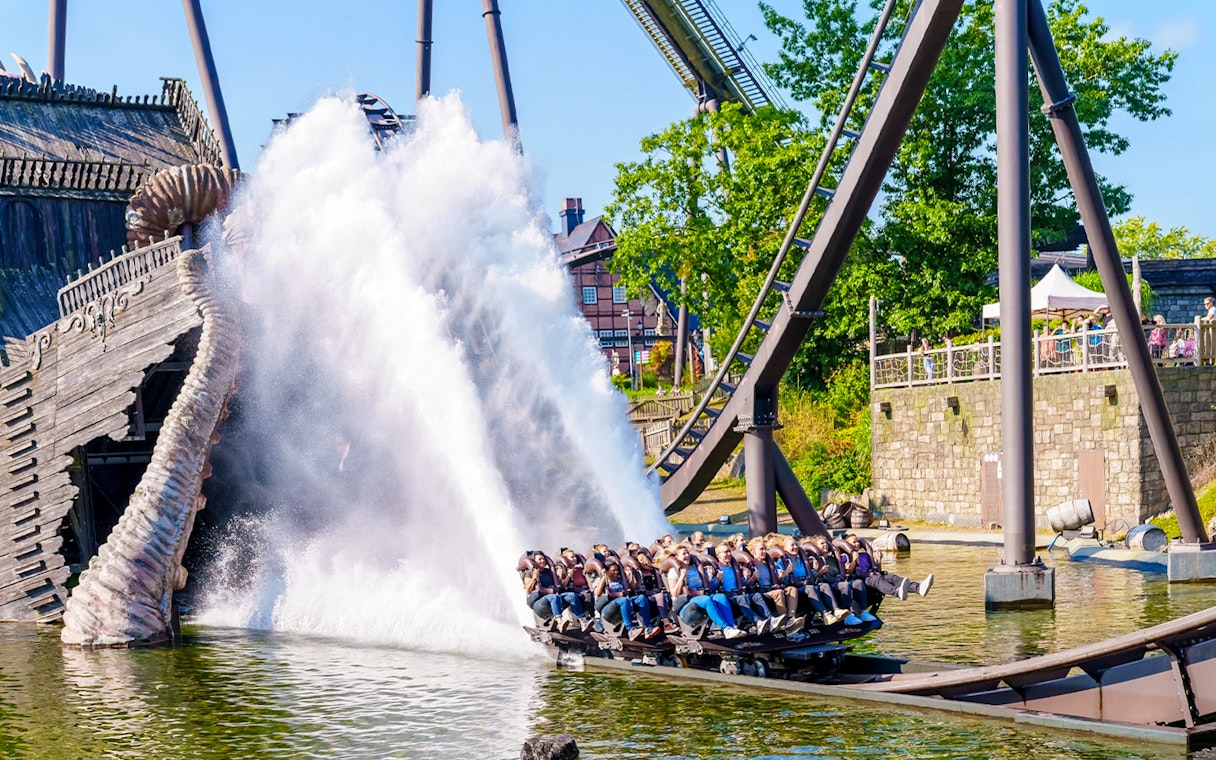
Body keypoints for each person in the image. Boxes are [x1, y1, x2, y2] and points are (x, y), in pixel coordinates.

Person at [663, 545, 743, 639]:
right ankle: (725, 628)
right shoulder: (674, 571)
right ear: (677, 557)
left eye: (688, 553)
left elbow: (709, 588)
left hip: (701, 597)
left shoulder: (695, 569)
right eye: (683, 554)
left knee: (721, 597)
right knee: (707, 600)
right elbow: (674, 593)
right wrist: (682, 577)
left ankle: (732, 626)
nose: (687, 555)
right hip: (685, 602)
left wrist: (713, 579)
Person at [843, 534, 933, 601]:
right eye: (854, 542)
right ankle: (896, 592)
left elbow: (878, 570)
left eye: (858, 541)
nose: (857, 544)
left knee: (892, 578)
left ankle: (919, 588)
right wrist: (854, 560)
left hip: (873, 575)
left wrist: (878, 560)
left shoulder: (864, 555)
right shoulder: (845, 556)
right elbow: (849, 571)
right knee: (877, 580)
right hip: (862, 579)